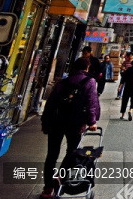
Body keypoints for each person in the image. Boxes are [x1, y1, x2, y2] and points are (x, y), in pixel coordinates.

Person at [41, 58, 100, 199]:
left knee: (52, 154)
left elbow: (51, 102)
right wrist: (92, 122)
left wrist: (45, 121)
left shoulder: (64, 81)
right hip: (75, 121)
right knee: (72, 151)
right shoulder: (89, 82)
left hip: (56, 121)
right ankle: (61, 177)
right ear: (87, 68)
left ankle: (48, 188)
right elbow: (91, 102)